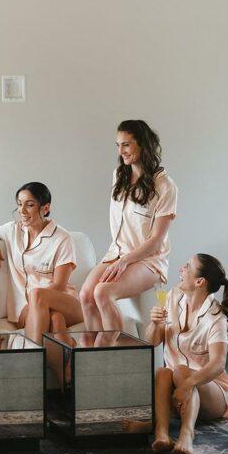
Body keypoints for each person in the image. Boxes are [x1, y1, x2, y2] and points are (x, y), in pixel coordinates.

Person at [128, 253, 228, 454]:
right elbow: (152, 342)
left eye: (187, 266)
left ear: (199, 281)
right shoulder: (172, 297)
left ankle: (186, 434)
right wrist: (155, 323)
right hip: (178, 387)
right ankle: (161, 433)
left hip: (213, 394)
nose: (181, 269)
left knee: (180, 371)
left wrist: (187, 384)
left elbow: (218, 364)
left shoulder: (216, 318)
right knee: (163, 372)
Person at [79, 120, 178, 332]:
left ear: (142, 144)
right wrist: (119, 259)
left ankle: (117, 359)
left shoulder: (165, 186)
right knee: (86, 295)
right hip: (116, 253)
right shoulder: (119, 175)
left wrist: (124, 262)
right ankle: (95, 359)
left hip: (149, 261)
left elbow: (156, 241)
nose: (121, 151)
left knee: (102, 292)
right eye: (118, 145)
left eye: (126, 144)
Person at [0, 182, 83, 343]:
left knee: (37, 294)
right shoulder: (13, 230)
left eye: (29, 205)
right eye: (19, 204)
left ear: (45, 208)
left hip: (65, 302)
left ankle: (32, 362)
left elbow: (59, 286)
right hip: (24, 308)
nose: (22, 211)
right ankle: (67, 363)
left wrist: (35, 302)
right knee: (56, 320)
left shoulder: (62, 238)